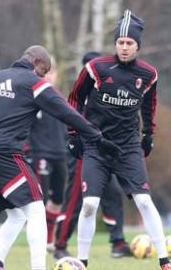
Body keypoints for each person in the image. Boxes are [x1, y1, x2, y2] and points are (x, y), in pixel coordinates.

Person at [0, 45, 122, 270]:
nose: (44, 77)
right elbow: (67, 112)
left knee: (16, 215)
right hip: (5, 154)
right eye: (44, 71)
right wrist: (98, 138)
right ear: (36, 62)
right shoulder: (34, 84)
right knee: (36, 210)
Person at [68, 10, 171, 270]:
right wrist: (73, 134)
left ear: (138, 46)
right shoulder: (96, 68)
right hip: (96, 145)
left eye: (130, 43)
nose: (124, 48)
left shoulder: (149, 74)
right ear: (115, 44)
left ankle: (165, 260)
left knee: (144, 201)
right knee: (90, 205)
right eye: (120, 43)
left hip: (127, 147)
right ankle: (82, 261)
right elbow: (74, 99)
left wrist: (149, 134)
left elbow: (149, 106)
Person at [53, 52, 131, 260]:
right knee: (76, 198)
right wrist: (74, 139)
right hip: (83, 152)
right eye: (90, 67)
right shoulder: (80, 93)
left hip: (103, 152)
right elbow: (70, 118)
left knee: (113, 194)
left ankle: (118, 243)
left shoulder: (107, 90)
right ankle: (60, 245)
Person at [27, 57, 69, 251]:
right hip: (40, 154)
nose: (49, 75)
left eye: (52, 71)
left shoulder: (61, 99)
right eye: (46, 71)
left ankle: (48, 239)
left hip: (60, 154)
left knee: (58, 199)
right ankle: (38, 240)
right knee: (38, 202)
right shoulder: (32, 98)